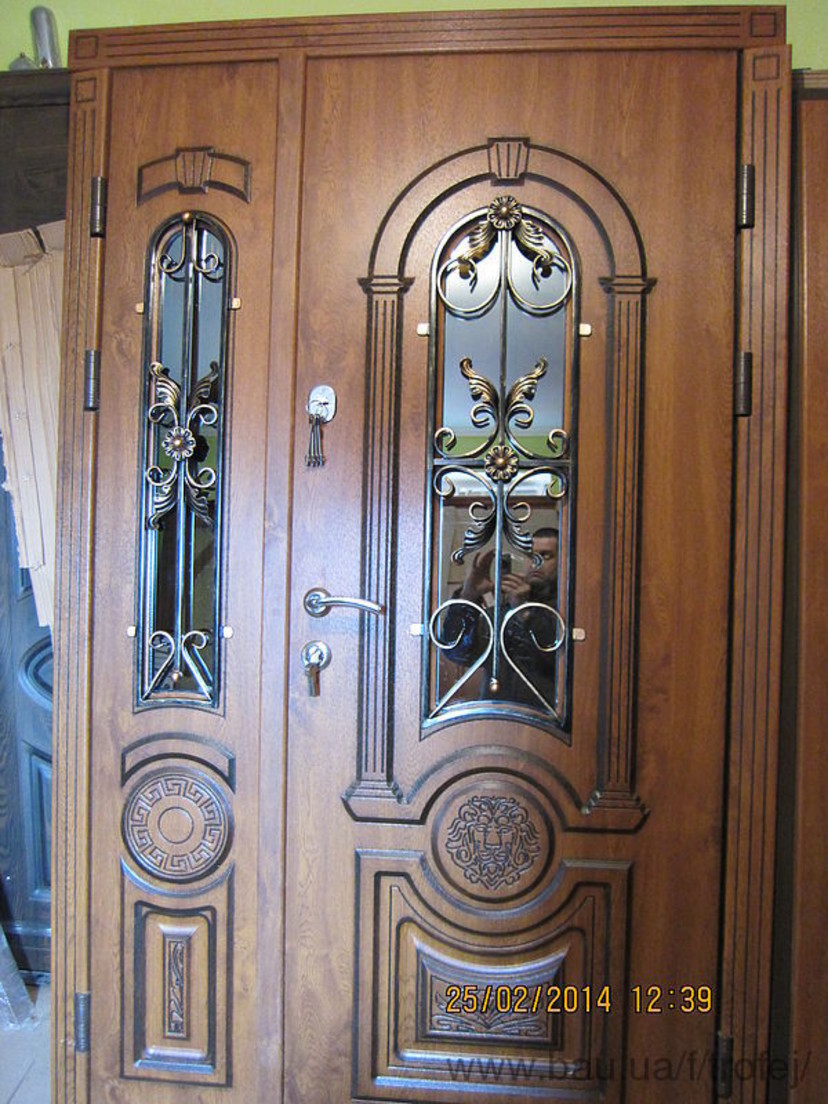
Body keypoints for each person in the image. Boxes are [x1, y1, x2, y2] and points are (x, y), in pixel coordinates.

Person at [438, 527, 562, 710]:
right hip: (496, 715)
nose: (536, 563)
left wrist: (524, 612)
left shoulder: (568, 610)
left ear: (562, 562)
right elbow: (457, 652)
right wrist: (468, 597)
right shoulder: (502, 613)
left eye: (546, 556)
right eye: (530, 556)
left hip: (546, 716)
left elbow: (558, 659)